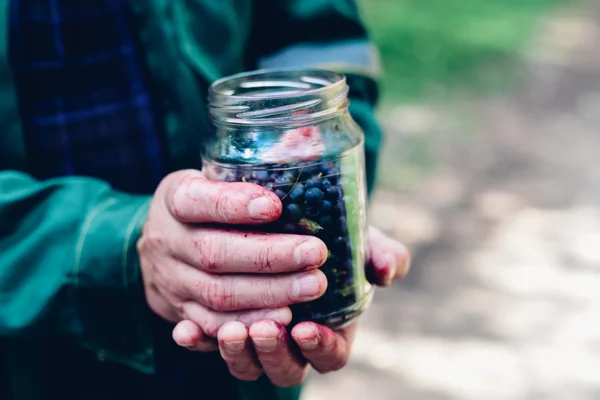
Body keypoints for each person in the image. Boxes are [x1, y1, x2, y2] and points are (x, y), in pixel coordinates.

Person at [0, 1, 411, 399]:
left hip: (244, 349)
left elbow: (323, 43)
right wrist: (113, 248)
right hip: (30, 356)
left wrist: (336, 210)